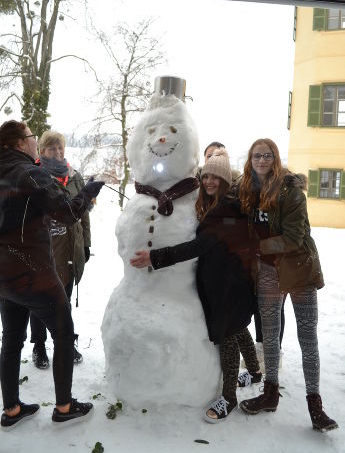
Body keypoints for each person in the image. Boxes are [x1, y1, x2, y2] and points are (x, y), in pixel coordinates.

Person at [131, 149, 262, 422]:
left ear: (226, 180)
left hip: (231, 284)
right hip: (231, 280)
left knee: (227, 335)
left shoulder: (227, 209)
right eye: (206, 176)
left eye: (216, 177)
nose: (209, 181)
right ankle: (255, 371)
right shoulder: (221, 203)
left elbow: (199, 246)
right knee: (238, 328)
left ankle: (228, 397)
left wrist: (155, 257)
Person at [0, 120, 104, 429]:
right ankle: (64, 406)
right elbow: (69, 212)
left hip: (4, 276)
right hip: (34, 275)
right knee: (62, 334)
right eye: (32, 137)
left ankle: (13, 409)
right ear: (20, 143)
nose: (34, 142)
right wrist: (88, 191)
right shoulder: (32, 173)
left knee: (11, 340)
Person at [237, 138, 338, 432]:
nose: (262, 160)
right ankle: (270, 394)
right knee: (269, 335)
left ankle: (315, 404)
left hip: (298, 269)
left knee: (308, 337)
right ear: (250, 159)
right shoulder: (246, 190)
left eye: (267, 155)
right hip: (268, 271)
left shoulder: (291, 191)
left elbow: (294, 237)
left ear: (276, 158)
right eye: (257, 156)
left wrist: (255, 248)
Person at [30, 131, 91, 369]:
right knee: (40, 301)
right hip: (45, 249)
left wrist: (85, 243)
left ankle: (64, 343)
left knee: (64, 300)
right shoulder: (36, 177)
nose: (58, 152)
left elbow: (84, 213)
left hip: (69, 249)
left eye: (61, 148)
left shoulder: (75, 177)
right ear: (43, 151)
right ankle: (38, 346)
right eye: (52, 149)